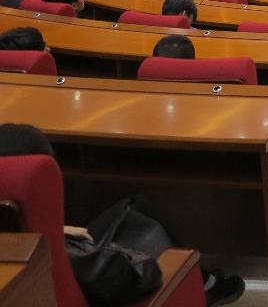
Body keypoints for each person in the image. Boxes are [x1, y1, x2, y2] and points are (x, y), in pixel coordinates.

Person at [0, 124, 246, 307]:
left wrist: (57, 229)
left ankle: (205, 280)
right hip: (100, 288)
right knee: (149, 231)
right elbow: (141, 278)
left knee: (136, 205)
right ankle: (202, 284)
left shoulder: (21, 239)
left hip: (66, 261)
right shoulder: (59, 253)